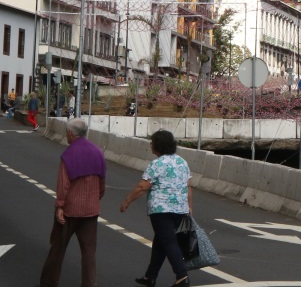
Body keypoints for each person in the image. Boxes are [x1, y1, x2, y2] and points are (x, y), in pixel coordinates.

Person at [39, 118, 106, 287]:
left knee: (58, 247)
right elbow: (102, 182)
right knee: (89, 251)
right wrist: (96, 198)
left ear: (70, 133)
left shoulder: (69, 154)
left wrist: (60, 206)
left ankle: (49, 282)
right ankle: (89, 283)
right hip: (91, 210)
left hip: (70, 210)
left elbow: (63, 184)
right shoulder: (98, 152)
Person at [120, 129, 192, 287]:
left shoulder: (157, 164)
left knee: (169, 242)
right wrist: (189, 206)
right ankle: (150, 276)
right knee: (161, 241)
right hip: (180, 209)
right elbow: (188, 186)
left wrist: (127, 201)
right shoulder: (182, 162)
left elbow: (142, 187)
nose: (150, 145)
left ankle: (182, 276)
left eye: (152, 143)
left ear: (158, 146)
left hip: (161, 210)